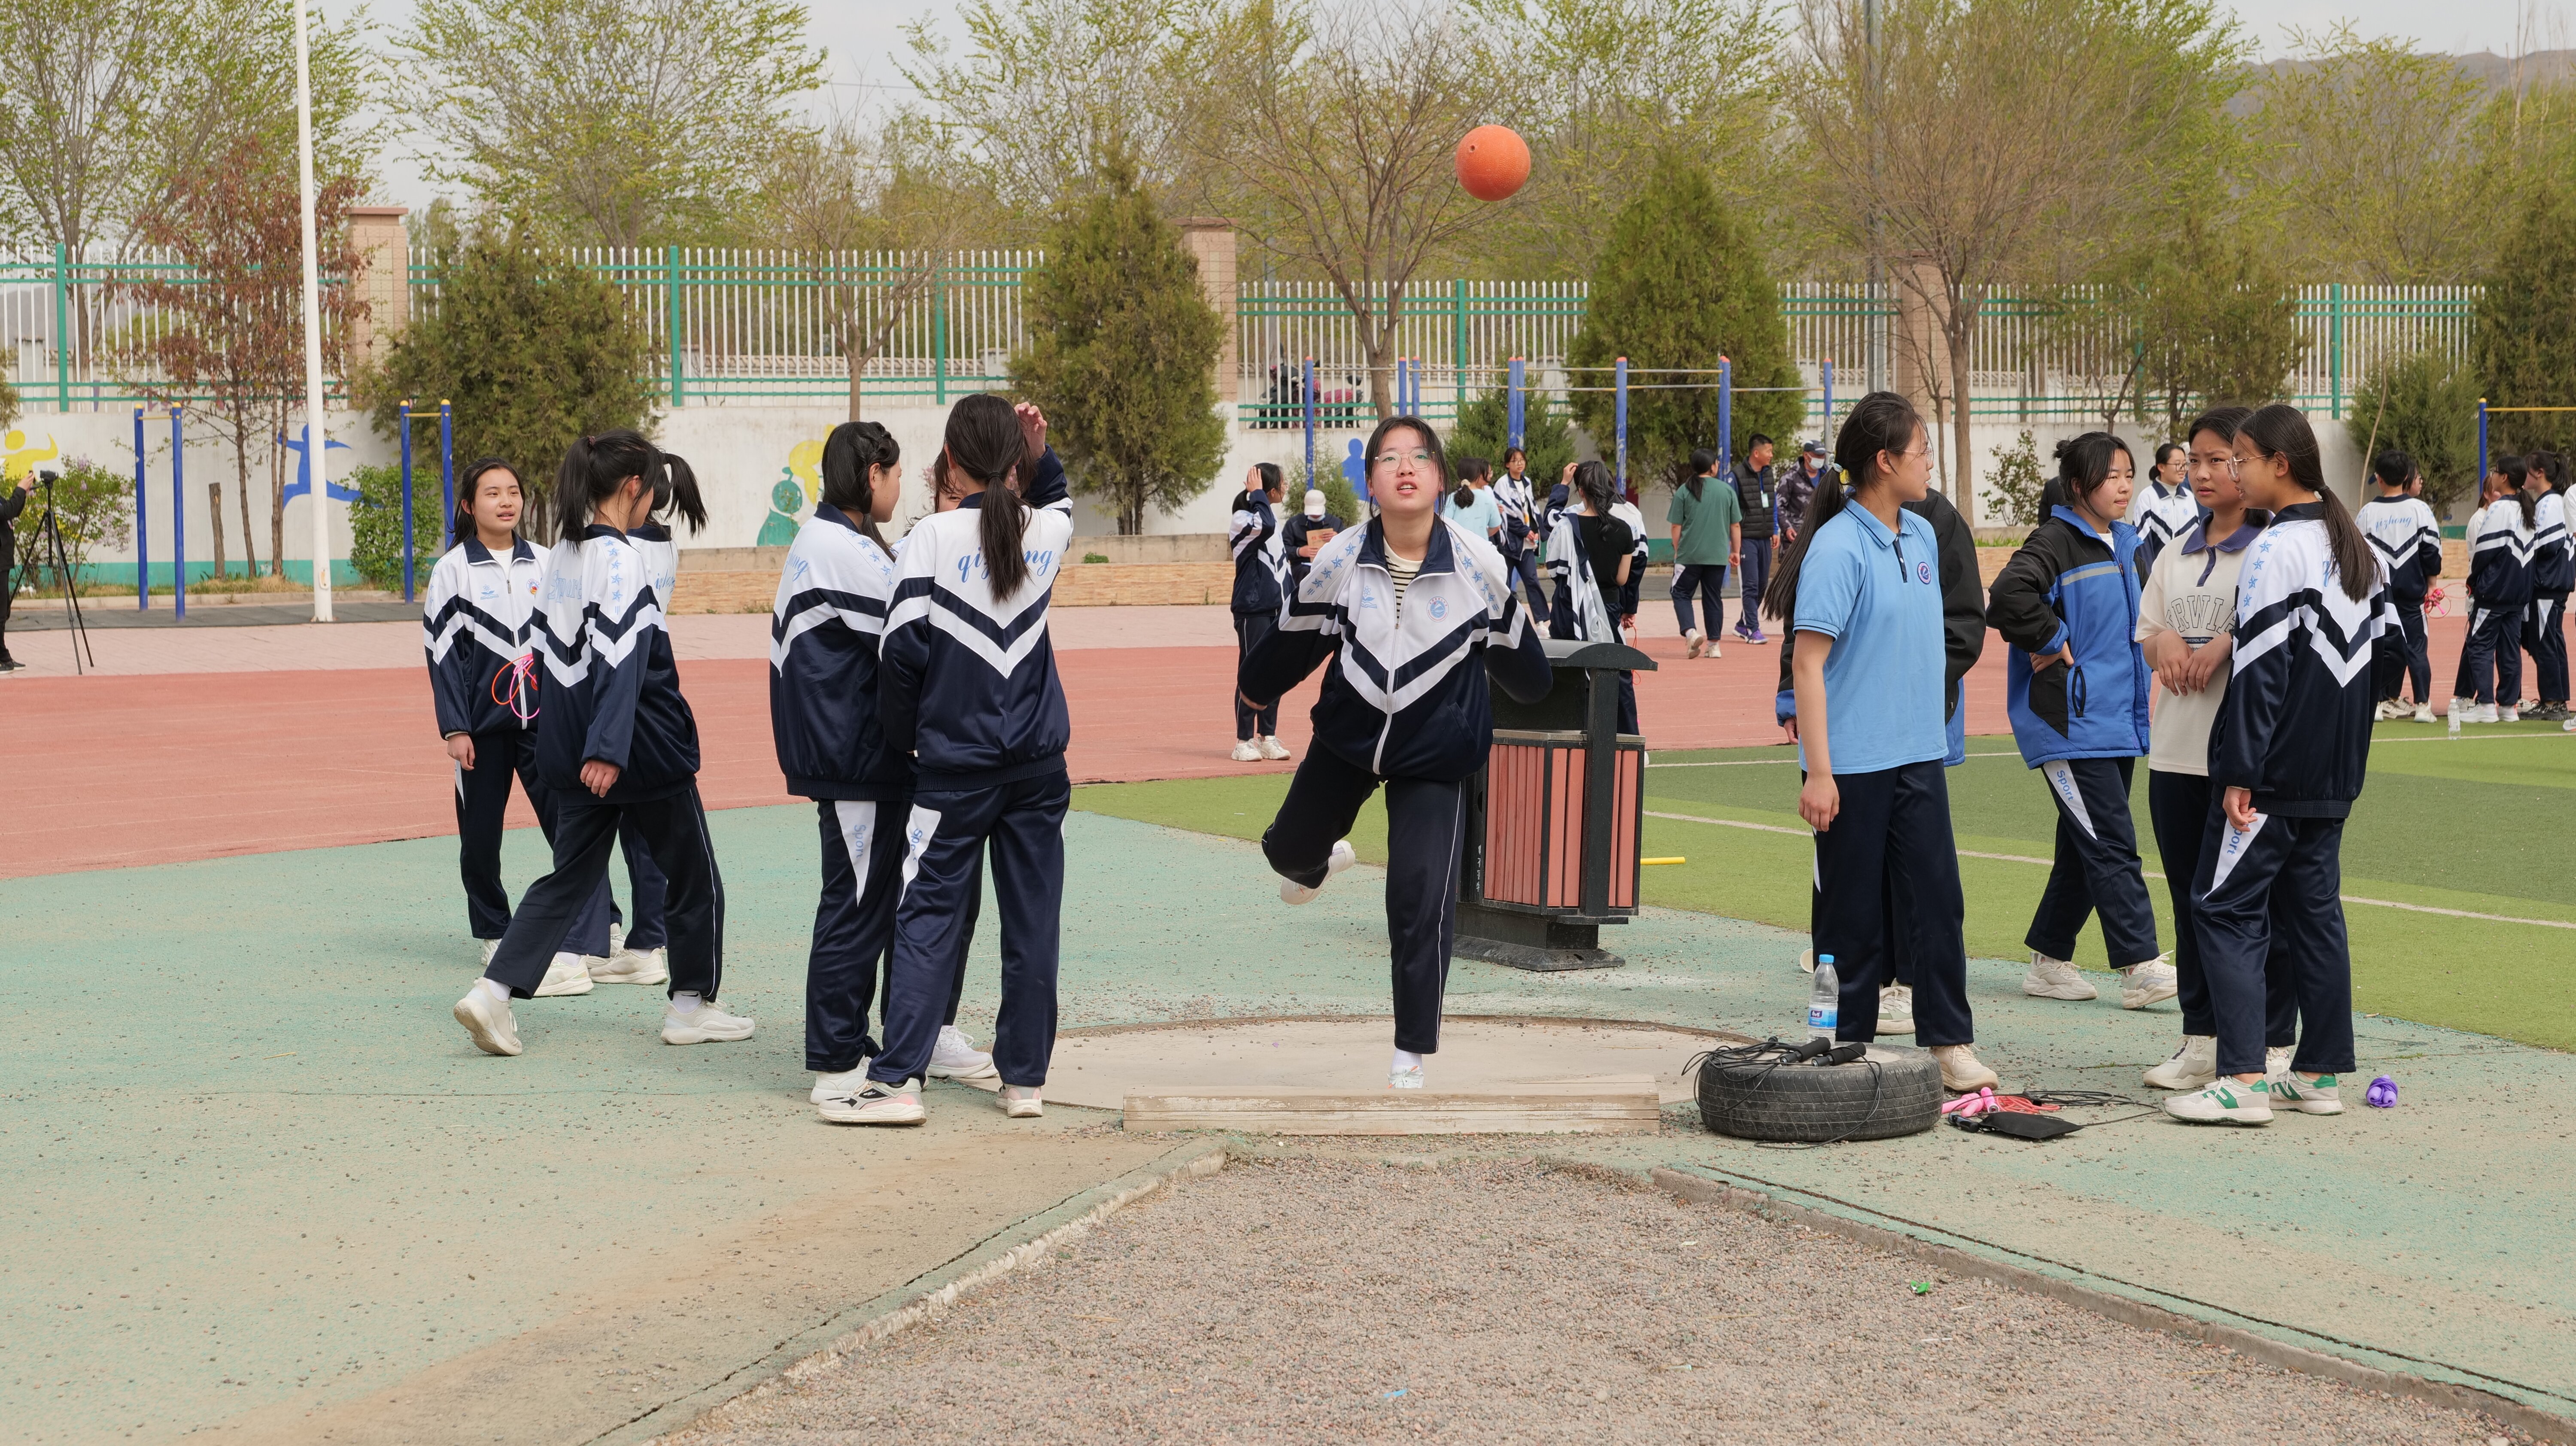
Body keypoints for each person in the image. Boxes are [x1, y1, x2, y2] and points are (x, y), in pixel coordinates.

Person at [1238, 415, 1552, 1090]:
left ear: (1440, 478)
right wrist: (1254, 687)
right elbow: (1292, 646)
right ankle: (1320, 863)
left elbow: (1530, 678)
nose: (1405, 467)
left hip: (1436, 755)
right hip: (1348, 741)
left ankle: (1412, 1047)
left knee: (1418, 896)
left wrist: (1515, 630)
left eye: (1418, 458)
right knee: (1287, 852)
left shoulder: (1481, 565)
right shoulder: (1339, 560)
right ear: (1372, 482)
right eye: (1388, 458)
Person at [452, 432, 750, 1058]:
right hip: (637, 751)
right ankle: (692, 1006)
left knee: (568, 879)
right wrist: (609, 751)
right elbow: (622, 660)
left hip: (577, 746)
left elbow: (551, 661)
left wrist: (573, 749)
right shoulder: (620, 559)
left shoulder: (562, 553)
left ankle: (493, 992)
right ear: (634, 488)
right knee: (695, 876)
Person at [834, 395, 1072, 1125]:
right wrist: (1041, 451)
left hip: (953, 768)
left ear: (952, 465)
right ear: (1015, 465)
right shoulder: (1050, 529)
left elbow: (900, 656)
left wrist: (909, 741)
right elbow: (1054, 499)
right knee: (1033, 924)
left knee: (928, 915)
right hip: (1038, 769)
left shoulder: (931, 536)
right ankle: (1024, 1081)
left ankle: (897, 1079)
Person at [1763, 391, 1993, 1092]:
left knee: (1937, 900)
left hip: (1918, 754)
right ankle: (1839, 1038)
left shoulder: (1921, 535)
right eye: (1921, 449)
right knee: (1847, 913)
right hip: (1852, 764)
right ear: (1884, 460)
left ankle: (1950, 1040)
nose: (1929, 461)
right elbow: (1808, 662)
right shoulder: (1837, 547)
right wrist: (1818, 773)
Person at [772, 421, 1000, 1123]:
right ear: (871, 473)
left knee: (887, 900)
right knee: (858, 904)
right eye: (895, 475)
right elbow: (913, 619)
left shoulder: (848, 543)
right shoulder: (835, 547)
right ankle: (837, 1057)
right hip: (854, 762)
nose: (900, 489)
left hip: (869, 758)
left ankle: (914, 1036)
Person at [2167, 403, 2388, 1126]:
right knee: (2314, 912)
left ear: (2279, 465)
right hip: (2336, 773)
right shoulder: (2353, 543)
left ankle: (2242, 1079)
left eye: (2241, 460)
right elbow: (2390, 660)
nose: (2232, 472)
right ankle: (2317, 1073)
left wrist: (2240, 771)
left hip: (2276, 774)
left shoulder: (2274, 550)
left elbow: (2261, 672)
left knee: (2223, 907)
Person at [425, 457, 634, 996]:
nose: (506, 500)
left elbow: (572, 638)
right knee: (480, 838)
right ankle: (495, 928)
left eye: (513, 490)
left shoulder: (548, 562)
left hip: (546, 723)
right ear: (470, 506)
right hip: (482, 729)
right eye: (491, 492)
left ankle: (601, 923)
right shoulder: (452, 570)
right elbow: (443, 654)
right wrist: (456, 727)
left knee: (572, 826)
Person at [2132, 407, 2296, 1091]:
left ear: (2250, 463)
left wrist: (2226, 645)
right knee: (2188, 902)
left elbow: (2278, 635)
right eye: (2193, 460)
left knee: (2262, 906)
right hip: (2174, 755)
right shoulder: (2177, 549)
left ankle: (2273, 1043)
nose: (2201, 473)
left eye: (2218, 459)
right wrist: (2166, 643)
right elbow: (2148, 630)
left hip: (2240, 764)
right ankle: (2200, 1039)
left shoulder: (2273, 550)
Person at [1987, 434, 2173, 1011]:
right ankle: (2141, 964)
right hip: (2070, 724)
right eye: (2110, 476)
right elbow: (2007, 596)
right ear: (2077, 487)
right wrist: (2053, 637)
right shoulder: (2055, 541)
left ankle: (2049, 959)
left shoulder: (2128, 542)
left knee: (2084, 842)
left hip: (2118, 719)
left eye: (2128, 474)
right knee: (2113, 841)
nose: (2123, 486)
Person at [1546, 461, 1642, 732]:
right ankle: (1627, 737)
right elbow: (1622, 579)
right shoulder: (1624, 529)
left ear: (1581, 491)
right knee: (1615, 670)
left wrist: (1562, 485)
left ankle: (1569, 735)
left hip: (1570, 608)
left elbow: (1555, 569)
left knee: (1569, 671)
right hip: (1608, 606)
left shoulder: (1567, 525)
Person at [2357, 450, 2444, 723]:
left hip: (2380, 597)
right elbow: (2432, 552)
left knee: (2379, 648)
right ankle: (2423, 707)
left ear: (2379, 479)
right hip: (2411, 597)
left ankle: (2377, 705)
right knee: (2417, 649)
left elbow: (2358, 556)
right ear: (2407, 477)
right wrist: (2432, 584)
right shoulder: (2420, 510)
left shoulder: (2368, 513)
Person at [2451, 458, 2534, 724]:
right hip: (2519, 592)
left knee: (2480, 645)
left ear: (2506, 478)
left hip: (2495, 590)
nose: (2493, 475)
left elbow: (2484, 552)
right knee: (2510, 649)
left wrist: (2474, 581)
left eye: (2496, 472)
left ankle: (2487, 705)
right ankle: (2509, 707)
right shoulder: (2527, 509)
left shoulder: (2499, 509)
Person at [1229, 463, 1294, 763]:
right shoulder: (1243, 520)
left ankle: (1267, 737)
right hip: (1253, 608)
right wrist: (1256, 493)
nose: (1287, 485)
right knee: (1252, 671)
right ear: (1269, 490)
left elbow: (1282, 568)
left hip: (1277, 609)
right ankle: (1244, 741)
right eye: (1282, 481)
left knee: (1275, 672)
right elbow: (1265, 525)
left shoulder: (1270, 519)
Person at [1667, 448, 1742, 659]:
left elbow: (1676, 526)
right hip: (1718, 556)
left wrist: (1677, 549)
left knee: (1680, 593)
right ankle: (1714, 645)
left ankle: (1691, 633)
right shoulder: (1726, 491)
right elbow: (1735, 525)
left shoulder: (1684, 490)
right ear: (1713, 466)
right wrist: (1735, 551)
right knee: (1713, 598)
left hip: (1689, 555)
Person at [2521, 450, 2572, 721]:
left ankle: (2553, 701)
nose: (2525, 475)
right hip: (2553, 583)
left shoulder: (2550, 503)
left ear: (2539, 473)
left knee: (2544, 642)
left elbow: (2549, 544)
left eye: (2528, 470)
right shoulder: (2552, 502)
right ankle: (2558, 699)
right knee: (2551, 640)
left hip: (2547, 583)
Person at [1490, 447, 1550, 624]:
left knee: (1532, 581)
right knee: (1504, 584)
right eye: (1515, 460)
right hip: (1509, 544)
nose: (1520, 463)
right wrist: (1526, 531)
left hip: (1526, 544)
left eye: (1522, 459)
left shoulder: (1527, 483)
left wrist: (1537, 531)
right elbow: (1506, 515)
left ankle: (1541, 622)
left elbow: (1531, 510)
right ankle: (1504, 622)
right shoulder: (1502, 484)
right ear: (1508, 464)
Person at [2126, 440, 2201, 578]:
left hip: (2187, 579)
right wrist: (2151, 581)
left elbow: (2196, 539)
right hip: (2158, 580)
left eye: (2185, 464)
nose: (2183, 469)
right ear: (2161, 467)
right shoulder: (2148, 497)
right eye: (2178, 464)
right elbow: (2143, 546)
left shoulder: (2190, 497)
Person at [1730, 434, 1780, 643]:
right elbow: (1731, 510)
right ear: (1756, 453)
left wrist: (1775, 528)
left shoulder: (1768, 474)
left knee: (1762, 586)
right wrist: (1734, 544)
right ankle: (1752, 629)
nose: (1772, 455)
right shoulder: (1737, 476)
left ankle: (1742, 624)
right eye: (1769, 451)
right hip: (1746, 538)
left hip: (1765, 536)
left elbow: (1773, 502)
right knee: (1750, 585)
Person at [1283, 487, 1346, 588]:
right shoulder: (1294, 524)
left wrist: (1338, 539)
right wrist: (1299, 551)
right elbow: (1283, 548)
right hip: (1302, 568)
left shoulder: (1336, 523)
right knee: (1305, 573)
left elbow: (1347, 548)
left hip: (1328, 566)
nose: (1315, 515)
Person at [0, 468, 30, 672]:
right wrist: (20, 489)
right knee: (0, 611)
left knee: (3, 610)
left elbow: (12, 510)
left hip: (3, 561)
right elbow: (6, 512)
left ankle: (3, 656)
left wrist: (23, 493)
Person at [1445, 455, 1504, 547]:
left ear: (1459, 474)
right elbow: (1497, 526)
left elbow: (1445, 526)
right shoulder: (1487, 497)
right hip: (1482, 549)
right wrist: (1483, 534)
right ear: (1478, 475)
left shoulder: (1452, 498)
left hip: (1459, 551)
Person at [1776, 441, 1827, 548]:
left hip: (1820, 539)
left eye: (1822, 456)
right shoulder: (1790, 478)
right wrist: (1787, 528)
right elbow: (1779, 507)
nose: (1821, 459)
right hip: (1795, 539)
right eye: (1817, 456)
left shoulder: (1827, 477)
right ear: (1806, 455)